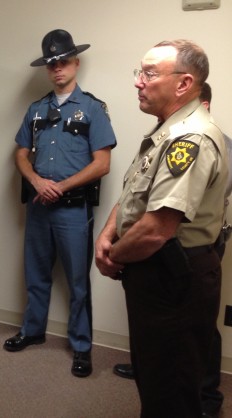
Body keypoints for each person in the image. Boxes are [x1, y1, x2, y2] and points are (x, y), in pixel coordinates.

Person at [95, 40, 228, 417]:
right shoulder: (167, 131)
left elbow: (156, 229)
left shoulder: (189, 138)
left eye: (150, 74)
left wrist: (113, 257)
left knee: (171, 390)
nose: (138, 81)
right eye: (140, 72)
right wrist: (107, 234)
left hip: (174, 278)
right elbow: (135, 194)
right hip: (156, 272)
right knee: (155, 378)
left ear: (184, 84)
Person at [6, 29, 116, 378]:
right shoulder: (36, 109)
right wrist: (37, 181)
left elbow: (102, 164)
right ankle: (33, 330)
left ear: (76, 63)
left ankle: (81, 346)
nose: (57, 69)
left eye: (63, 62)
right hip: (39, 205)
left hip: (72, 210)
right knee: (36, 274)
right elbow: (20, 154)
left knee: (77, 281)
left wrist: (61, 186)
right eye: (51, 64)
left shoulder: (93, 109)